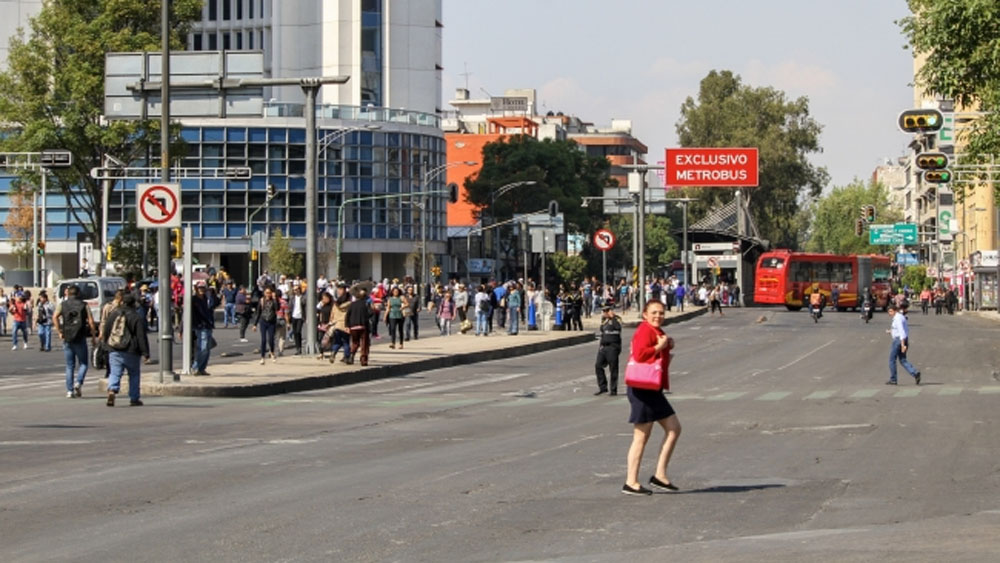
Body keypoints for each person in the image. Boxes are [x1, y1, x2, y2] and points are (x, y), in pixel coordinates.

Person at [622, 299, 681, 496]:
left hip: (652, 389)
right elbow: (640, 355)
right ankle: (631, 482)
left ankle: (660, 475)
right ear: (645, 314)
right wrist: (659, 347)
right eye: (654, 312)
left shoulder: (657, 332)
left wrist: (666, 345)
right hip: (642, 390)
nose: (658, 316)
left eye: (661, 313)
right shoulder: (644, 330)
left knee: (673, 428)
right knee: (641, 436)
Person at [102, 293, 150, 407]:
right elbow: (140, 336)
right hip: (131, 350)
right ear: (133, 304)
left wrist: (106, 345)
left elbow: (107, 330)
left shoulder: (114, 314)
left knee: (115, 372)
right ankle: (134, 398)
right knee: (133, 374)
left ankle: (112, 390)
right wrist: (145, 352)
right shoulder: (135, 316)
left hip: (114, 348)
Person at [53, 285, 99, 398]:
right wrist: (93, 336)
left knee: (69, 365)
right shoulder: (84, 305)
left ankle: (69, 390)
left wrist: (59, 331)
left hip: (67, 336)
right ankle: (79, 382)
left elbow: (55, 317)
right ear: (78, 294)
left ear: (68, 294)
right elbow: (91, 321)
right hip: (80, 336)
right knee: (83, 363)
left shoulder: (62, 304)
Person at [886, 302, 920, 386]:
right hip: (902, 340)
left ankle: (893, 379)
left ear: (895, 311)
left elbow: (901, 332)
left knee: (892, 360)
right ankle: (915, 373)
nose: (889, 314)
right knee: (902, 360)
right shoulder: (900, 317)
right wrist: (891, 331)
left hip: (899, 341)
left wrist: (903, 344)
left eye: (890, 311)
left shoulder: (898, 319)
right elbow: (901, 329)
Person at [594, 305, 622, 396]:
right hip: (604, 346)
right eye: (604, 311)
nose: (605, 313)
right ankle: (603, 387)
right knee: (598, 365)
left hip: (613, 347)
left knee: (613, 368)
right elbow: (602, 331)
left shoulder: (617, 319)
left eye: (607, 310)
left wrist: (612, 317)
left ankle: (613, 390)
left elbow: (618, 327)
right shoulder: (603, 320)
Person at [190, 283, 216, 375]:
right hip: (200, 326)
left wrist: (212, 294)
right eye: (200, 288)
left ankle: (202, 368)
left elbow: (214, 305)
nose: (201, 290)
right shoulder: (194, 300)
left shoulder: (206, 299)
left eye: (203, 288)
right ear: (196, 289)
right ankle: (196, 367)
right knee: (202, 347)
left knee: (207, 348)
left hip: (208, 325)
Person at [252, 286, 280, 364]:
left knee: (271, 339)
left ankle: (272, 352)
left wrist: (275, 299)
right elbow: (258, 313)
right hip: (263, 321)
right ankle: (262, 357)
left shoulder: (274, 301)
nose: (268, 294)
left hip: (271, 322)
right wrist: (255, 324)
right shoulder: (261, 301)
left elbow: (277, 308)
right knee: (263, 340)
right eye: (267, 293)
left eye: (269, 293)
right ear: (264, 293)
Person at [346, 287, 371, 366]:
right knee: (364, 344)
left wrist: (347, 325)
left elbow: (347, 315)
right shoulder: (365, 304)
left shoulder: (352, 304)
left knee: (355, 342)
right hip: (363, 326)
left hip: (353, 326)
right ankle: (363, 359)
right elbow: (370, 314)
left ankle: (351, 355)